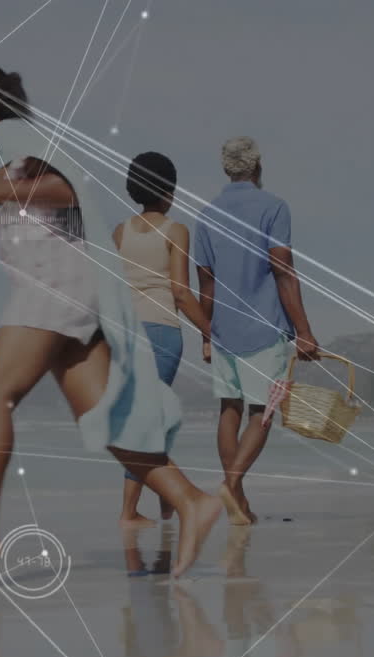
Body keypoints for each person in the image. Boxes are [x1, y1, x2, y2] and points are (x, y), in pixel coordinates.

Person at [0, 53, 221, 577]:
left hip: (54, 285)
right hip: (71, 288)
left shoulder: (7, 137)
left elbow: (67, 189)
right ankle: (191, 500)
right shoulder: (12, 144)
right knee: (105, 417)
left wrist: (1, 189)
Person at [194, 137, 319, 525]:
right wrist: (304, 331)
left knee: (228, 409)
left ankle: (238, 502)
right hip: (263, 327)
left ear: (226, 168)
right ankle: (232, 485)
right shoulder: (274, 208)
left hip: (223, 329)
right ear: (258, 167)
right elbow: (283, 270)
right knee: (262, 411)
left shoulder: (206, 215)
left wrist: (205, 335)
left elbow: (206, 285)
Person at [114, 151, 214, 529]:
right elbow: (181, 293)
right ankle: (132, 511)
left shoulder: (120, 232)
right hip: (160, 333)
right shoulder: (176, 231)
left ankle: (165, 504)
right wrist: (210, 331)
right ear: (169, 190)